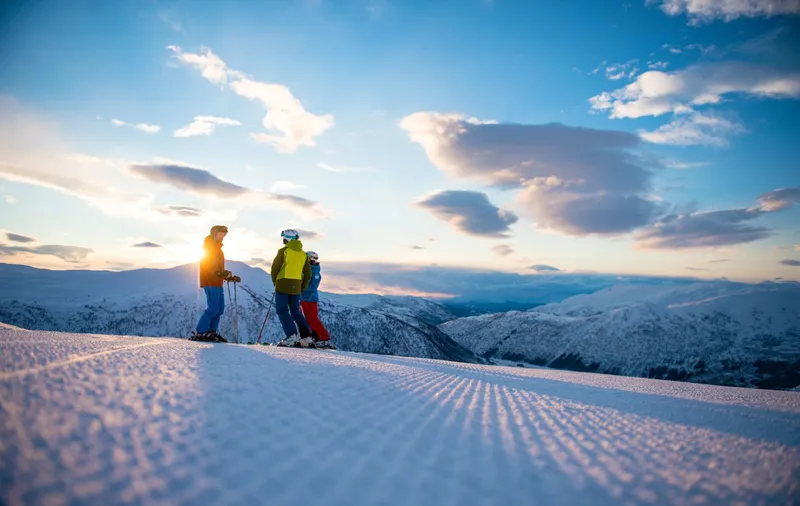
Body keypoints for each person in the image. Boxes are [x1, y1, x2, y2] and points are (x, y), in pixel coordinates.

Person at [192, 225, 240, 342]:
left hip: (217, 282)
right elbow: (208, 266)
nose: (222, 236)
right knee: (213, 308)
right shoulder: (209, 247)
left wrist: (227, 275)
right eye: (220, 234)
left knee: (219, 309)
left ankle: (211, 332)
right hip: (210, 282)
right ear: (214, 233)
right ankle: (201, 332)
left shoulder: (218, 249)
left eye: (224, 234)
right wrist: (221, 273)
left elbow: (216, 268)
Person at [270, 229, 313, 346]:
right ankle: (307, 337)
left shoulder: (284, 251)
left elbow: (275, 268)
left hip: (283, 283)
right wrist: (301, 287)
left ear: (287, 239)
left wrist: (275, 282)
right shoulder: (303, 254)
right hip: (296, 286)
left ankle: (291, 336)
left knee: (282, 310)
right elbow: (308, 274)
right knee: (296, 311)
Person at [300, 251, 331, 345]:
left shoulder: (315, 272)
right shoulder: (306, 270)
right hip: (303, 298)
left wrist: (300, 287)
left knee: (313, 318)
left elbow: (313, 287)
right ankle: (315, 337)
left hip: (310, 299)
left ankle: (324, 337)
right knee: (307, 319)